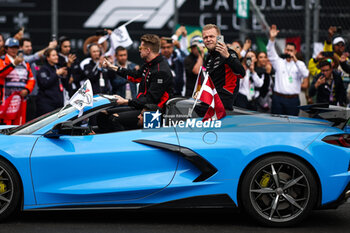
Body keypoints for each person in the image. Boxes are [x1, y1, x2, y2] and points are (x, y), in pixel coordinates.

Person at [103, 34, 173, 127]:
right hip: (141, 107)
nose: (139, 50)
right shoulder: (148, 64)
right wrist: (112, 67)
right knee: (103, 114)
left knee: (114, 119)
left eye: (140, 48)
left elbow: (150, 100)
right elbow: (135, 76)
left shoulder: (161, 71)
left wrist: (126, 101)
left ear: (148, 50)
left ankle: (125, 142)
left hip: (153, 113)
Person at [267, 24, 309, 116]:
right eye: (287, 50)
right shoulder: (279, 62)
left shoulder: (299, 64)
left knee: (292, 124)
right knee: (276, 124)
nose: (288, 52)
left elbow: (305, 74)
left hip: (293, 100)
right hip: (278, 98)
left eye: (291, 50)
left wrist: (295, 60)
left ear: (295, 52)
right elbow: (270, 52)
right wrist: (272, 39)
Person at [202, 24, 245, 110]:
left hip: (223, 104)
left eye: (211, 36)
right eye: (205, 37)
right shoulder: (209, 57)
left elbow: (242, 73)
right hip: (211, 100)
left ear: (218, 38)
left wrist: (228, 57)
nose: (208, 39)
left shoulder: (229, 52)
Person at [20, 37, 58, 121]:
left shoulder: (31, 62)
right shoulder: (21, 59)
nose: (29, 48)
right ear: (20, 48)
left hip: (35, 97)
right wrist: (49, 48)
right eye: (26, 46)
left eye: (30, 46)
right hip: (26, 97)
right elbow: (35, 57)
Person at [0, 37, 35, 125]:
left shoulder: (24, 63)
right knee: (5, 127)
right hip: (5, 100)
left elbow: (31, 78)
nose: (14, 50)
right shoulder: (2, 60)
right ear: (6, 49)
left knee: (19, 125)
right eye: (11, 47)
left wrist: (27, 90)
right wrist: (13, 64)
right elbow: (1, 74)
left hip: (20, 100)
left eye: (16, 47)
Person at [36, 48, 69, 116]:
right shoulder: (43, 69)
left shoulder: (58, 67)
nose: (56, 57)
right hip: (47, 104)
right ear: (48, 58)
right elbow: (44, 84)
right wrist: (56, 74)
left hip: (58, 103)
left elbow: (66, 84)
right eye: (53, 55)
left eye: (56, 55)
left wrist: (65, 76)